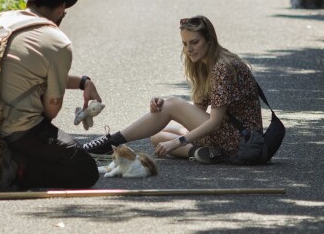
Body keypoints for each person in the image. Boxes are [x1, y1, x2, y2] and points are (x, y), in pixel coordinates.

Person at [82, 15, 262, 164]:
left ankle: (111, 142)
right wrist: (164, 110)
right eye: (184, 44)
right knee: (158, 137)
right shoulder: (204, 64)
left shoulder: (222, 67)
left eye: (194, 42)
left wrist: (178, 138)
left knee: (172, 110)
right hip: (229, 137)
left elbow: (214, 122)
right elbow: (197, 111)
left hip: (242, 141)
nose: (189, 49)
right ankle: (199, 152)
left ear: (209, 41)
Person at [0, 0, 102, 189]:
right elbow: (52, 107)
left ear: (28, 2)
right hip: (18, 130)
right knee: (85, 169)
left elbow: (28, 73)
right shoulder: (57, 41)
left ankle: (3, 155)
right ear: (61, 9)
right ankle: (16, 169)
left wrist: (83, 82)